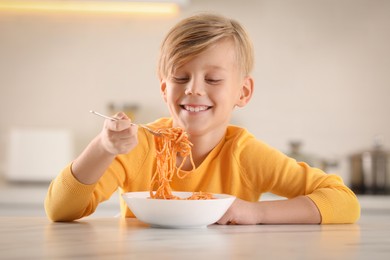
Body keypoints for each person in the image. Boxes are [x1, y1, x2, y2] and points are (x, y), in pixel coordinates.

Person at [45, 13, 360, 224]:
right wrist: (103, 147)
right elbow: (60, 210)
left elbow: (344, 202)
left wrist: (256, 212)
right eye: (181, 77)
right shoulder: (139, 146)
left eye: (213, 80)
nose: (193, 90)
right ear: (164, 87)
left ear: (243, 92)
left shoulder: (245, 155)